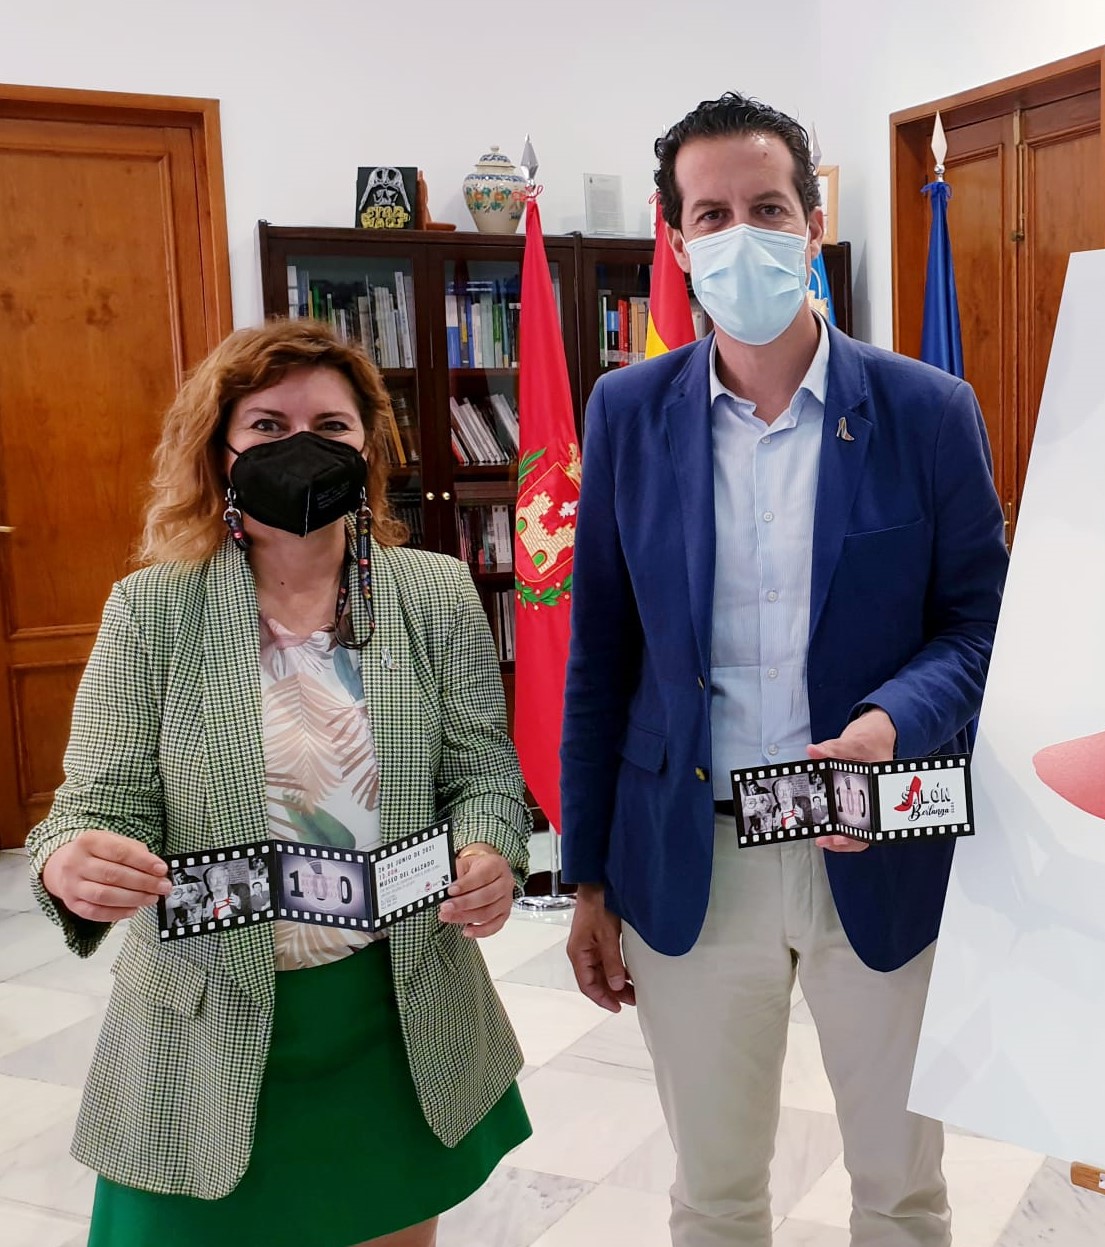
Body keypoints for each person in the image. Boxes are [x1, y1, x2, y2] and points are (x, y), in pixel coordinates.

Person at [560, 92, 1009, 1247]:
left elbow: (979, 624)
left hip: (875, 831)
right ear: (675, 241)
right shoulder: (626, 413)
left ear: (812, 223)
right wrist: (588, 878)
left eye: (766, 207)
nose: (740, 234)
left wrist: (890, 718)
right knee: (714, 1192)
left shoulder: (926, 410)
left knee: (899, 1187)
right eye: (710, 214)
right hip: (691, 853)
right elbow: (600, 651)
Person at [25, 319, 534, 1247]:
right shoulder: (153, 607)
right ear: (219, 449)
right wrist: (72, 861)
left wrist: (489, 848)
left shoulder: (433, 592)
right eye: (267, 425)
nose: (302, 445)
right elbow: (93, 803)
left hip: (394, 1016)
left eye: (331, 426)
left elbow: (483, 774)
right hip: (206, 1025)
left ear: (368, 447)